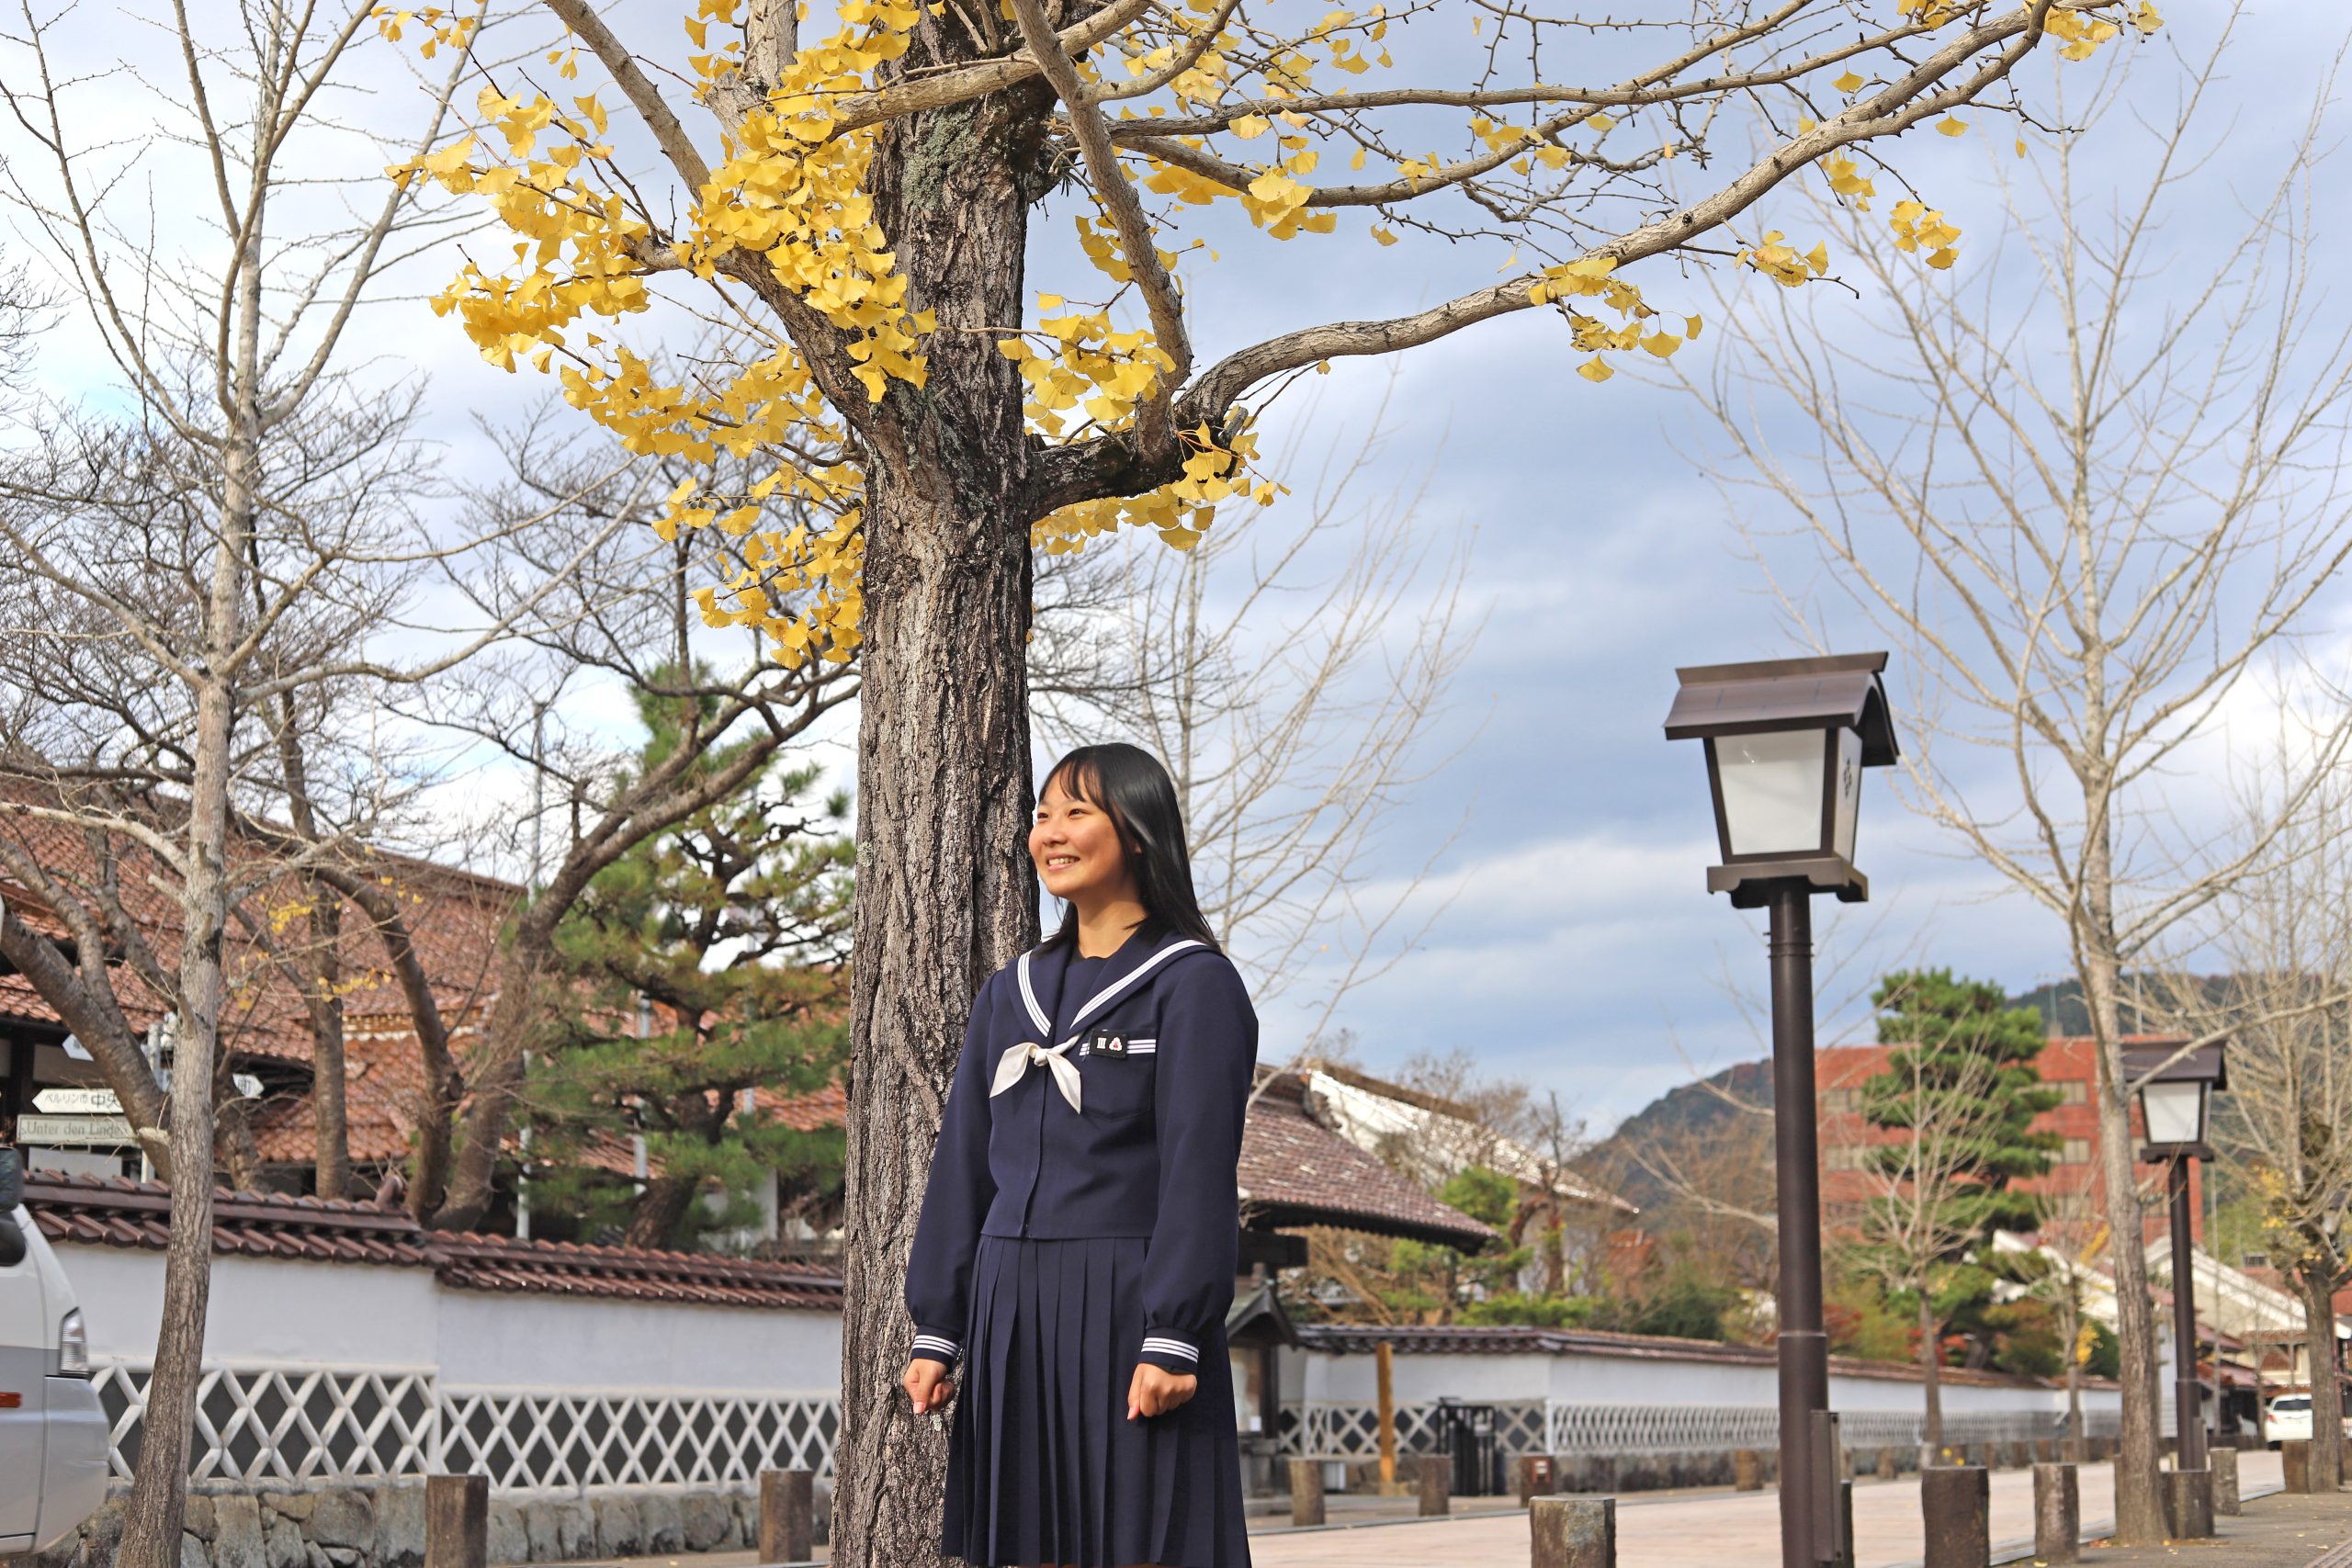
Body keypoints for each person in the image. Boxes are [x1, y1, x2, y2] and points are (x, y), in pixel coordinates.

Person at [902, 742, 1259, 1568]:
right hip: (1010, 1306)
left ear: (1136, 832)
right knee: (1029, 1546)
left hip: (1128, 1301)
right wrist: (939, 1328)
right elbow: (964, 1164)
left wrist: (1175, 1333)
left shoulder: (1193, 983)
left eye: (1076, 812)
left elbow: (1198, 1170)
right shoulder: (1009, 990)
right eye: (1042, 815)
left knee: (1143, 1540)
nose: (1051, 833)